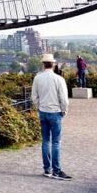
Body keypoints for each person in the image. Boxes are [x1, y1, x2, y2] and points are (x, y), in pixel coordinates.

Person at [31, 52, 71, 180]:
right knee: (56, 142)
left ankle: (47, 169)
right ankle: (56, 170)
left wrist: (38, 107)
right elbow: (63, 99)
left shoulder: (37, 78)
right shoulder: (59, 79)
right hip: (55, 112)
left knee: (45, 141)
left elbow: (34, 97)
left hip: (43, 111)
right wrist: (64, 110)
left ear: (43, 64)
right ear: (53, 64)